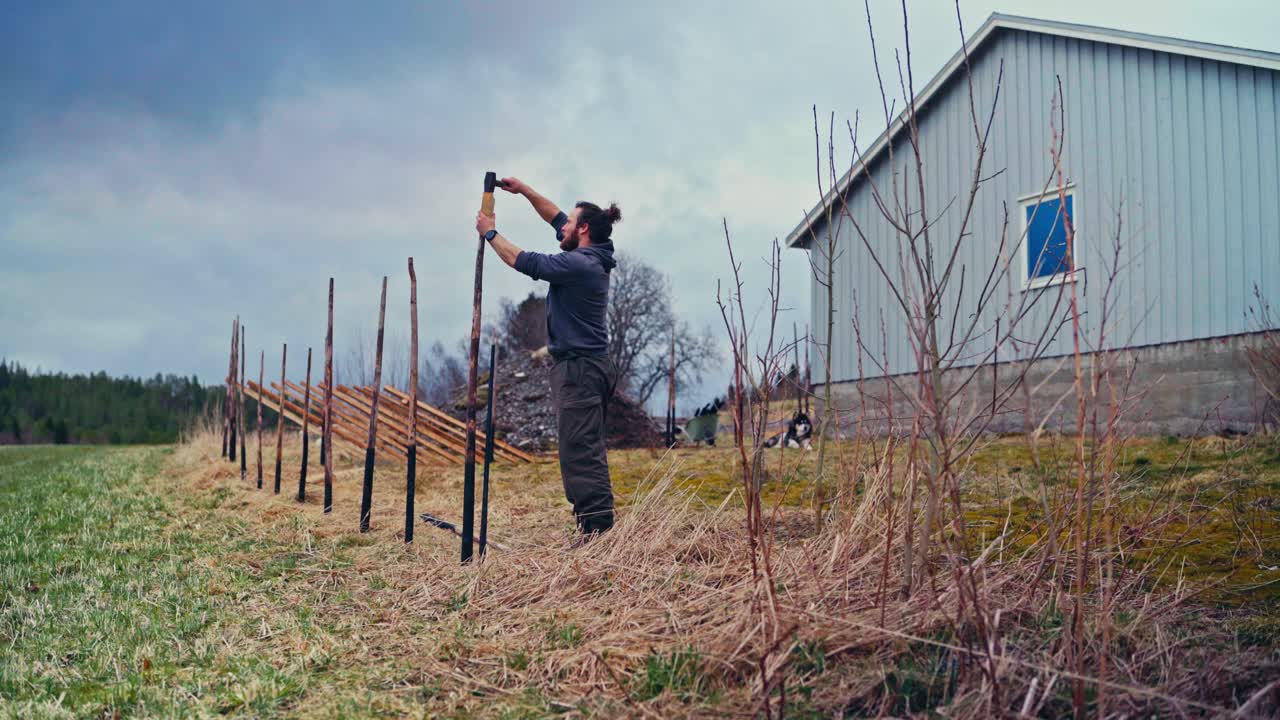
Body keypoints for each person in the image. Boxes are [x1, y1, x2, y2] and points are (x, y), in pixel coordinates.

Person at [475, 177, 621, 543]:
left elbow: (521, 260)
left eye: (570, 224)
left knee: (580, 450)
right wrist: (523, 191)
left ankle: (598, 533)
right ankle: (593, 526)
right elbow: (553, 215)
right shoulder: (589, 251)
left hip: (580, 368)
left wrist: (490, 233)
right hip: (582, 366)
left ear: (583, 229)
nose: (562, 227)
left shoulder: (581, 265)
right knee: (580, 446)